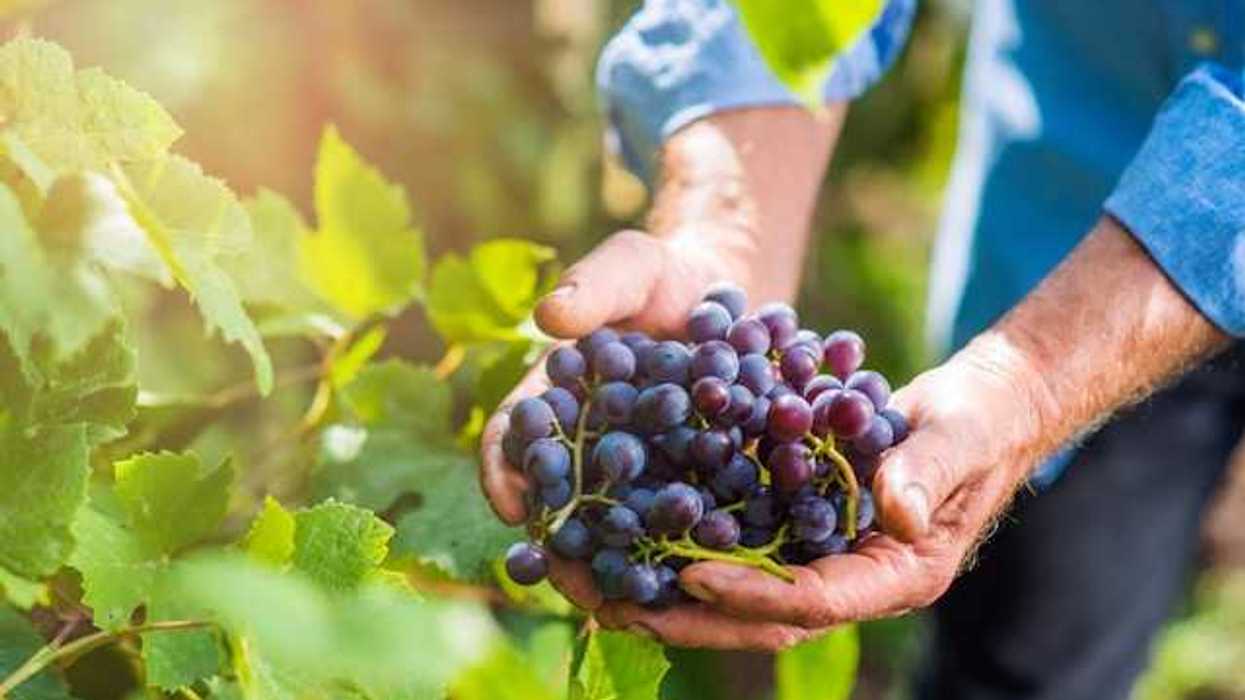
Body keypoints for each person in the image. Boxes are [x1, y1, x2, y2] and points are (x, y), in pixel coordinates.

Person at [479, 1, 1245, 697]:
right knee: (1032, 638)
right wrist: (725, 224)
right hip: (1058, 209)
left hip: (1056, 316)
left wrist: (1033, 380)